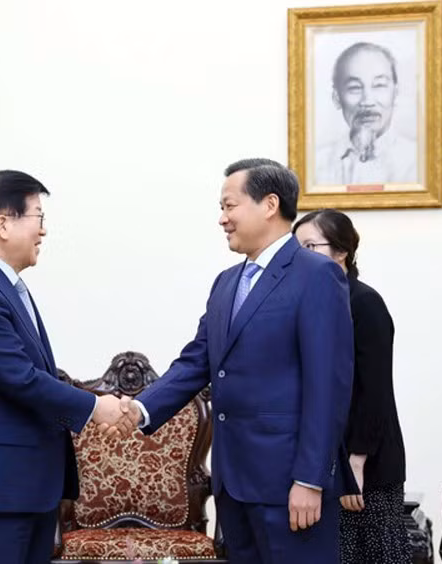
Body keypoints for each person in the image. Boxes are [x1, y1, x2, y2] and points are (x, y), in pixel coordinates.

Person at [118, 159, 355, 563]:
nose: (222, 219)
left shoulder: (316, 275)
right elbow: (197, 361)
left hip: (289, 485)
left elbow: (327, 386)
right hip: (234, 484)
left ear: (269, 205)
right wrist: (140, 408)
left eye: (230, 206)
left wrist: (310, 479)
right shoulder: (227, 282)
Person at [0, 170, 131, 564]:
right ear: (3, 224)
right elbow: (20, 379)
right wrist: (97, 406)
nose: (43, 231)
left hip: (25, 488)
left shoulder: (3, 287)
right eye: (38, 217)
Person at [293, 209, 410, 564]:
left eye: (310, 247)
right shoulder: (309, 303)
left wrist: (355, 463)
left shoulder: (364, 302)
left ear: (341, 251)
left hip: (365, 460)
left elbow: (374, 390)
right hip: (326, 460)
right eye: (296, 250)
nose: (300, 258)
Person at [315, 41, 418, 186]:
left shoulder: (417, 161)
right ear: (337, 98)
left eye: (379, 85)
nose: (367, 101)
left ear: (395, 92)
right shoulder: (316, 165)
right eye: (355, 87)